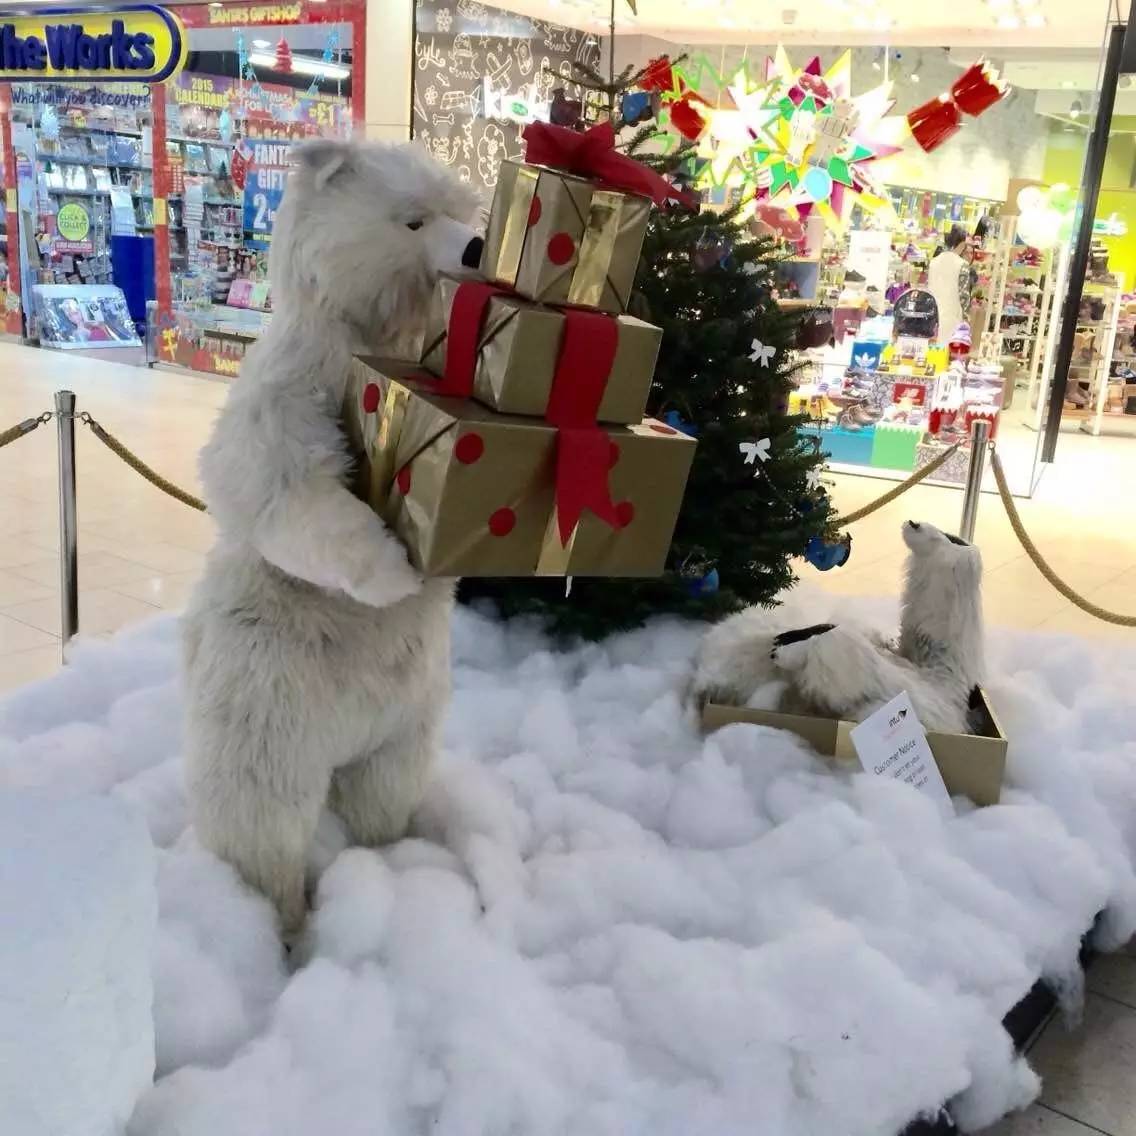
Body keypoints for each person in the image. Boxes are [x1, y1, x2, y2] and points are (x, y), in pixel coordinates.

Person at [926, 225, 972, 343]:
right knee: (949, 350)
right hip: (952, 314)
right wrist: (967, 316)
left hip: (932, 314)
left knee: (934, 350)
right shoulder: (962, 265)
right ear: (962, 244)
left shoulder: (933, 262)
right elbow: (964, 295)